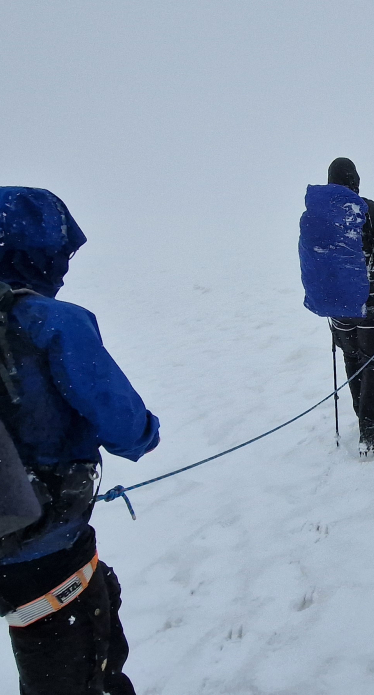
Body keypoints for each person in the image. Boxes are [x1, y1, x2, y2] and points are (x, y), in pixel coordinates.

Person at [0, 187, 161, 695]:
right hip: (44, 541)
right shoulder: (52, 322)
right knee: (80, 671)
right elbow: (124, 423)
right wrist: (146, 435)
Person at [323, 158, 374, 454]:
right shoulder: (367, 208)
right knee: (373, 360)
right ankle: (370, 429)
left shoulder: (320, 213)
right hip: (371, 297)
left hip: (337, 302)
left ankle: (364, 417)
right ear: (355, 180)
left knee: (352, 357)